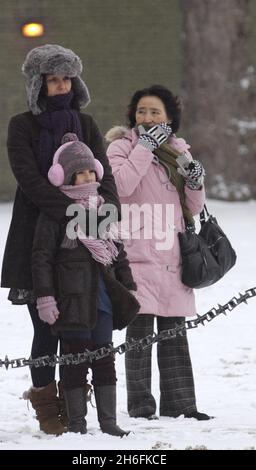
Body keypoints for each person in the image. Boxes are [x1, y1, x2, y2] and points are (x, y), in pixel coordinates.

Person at [1, 44, 121, 435]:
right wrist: (71, 211)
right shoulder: (22, 125)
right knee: (45, 329)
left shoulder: (86, 124)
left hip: (84, 244)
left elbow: (104, 175)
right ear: (39, 84)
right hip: (35, 238)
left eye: (67, 78)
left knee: (80, 328)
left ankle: (75, 404)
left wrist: (106, 210)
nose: (61, 85)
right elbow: (29, 179)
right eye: (53, 79)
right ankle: (46, 406)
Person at [105, 84, 212, 421]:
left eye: (155, 112)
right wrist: (144, 148)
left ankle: (181, 405)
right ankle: (141, 406)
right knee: (139, 335)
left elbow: (191, 208)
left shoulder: (180, 151)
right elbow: (120, 186)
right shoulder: (120, 148)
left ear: (169, 118)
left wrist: (196, 182)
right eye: (141, 112)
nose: (147, 118)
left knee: (174, 334)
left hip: (172, 254)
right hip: (136, 253)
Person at [31, 133, 139, 436]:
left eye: (91, 171)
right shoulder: (56, 215)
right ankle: (77, 423)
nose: (87, 177)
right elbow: (41, 258)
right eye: (80, 173)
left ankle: (108, 422)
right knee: (74, 361)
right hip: (71, 300)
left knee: (105, 359)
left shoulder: (104, 211)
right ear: (64, 176)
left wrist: (127, 285)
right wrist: (46, 298)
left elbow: (118, 253)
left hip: (103, 300)